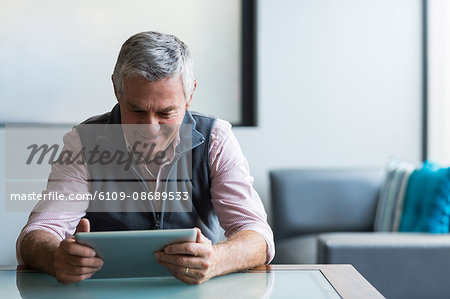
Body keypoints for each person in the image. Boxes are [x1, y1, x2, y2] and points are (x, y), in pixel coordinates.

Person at [16, 31, 274, 285]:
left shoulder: (216, 139)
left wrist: (217, 259)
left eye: (166, 113)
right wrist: (55, 257)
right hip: (107, 291)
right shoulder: (82, 143)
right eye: (136, 110)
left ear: (189, 96)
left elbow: (258, 235)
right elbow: (36, 234)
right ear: (118, 91)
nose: (150, 129)